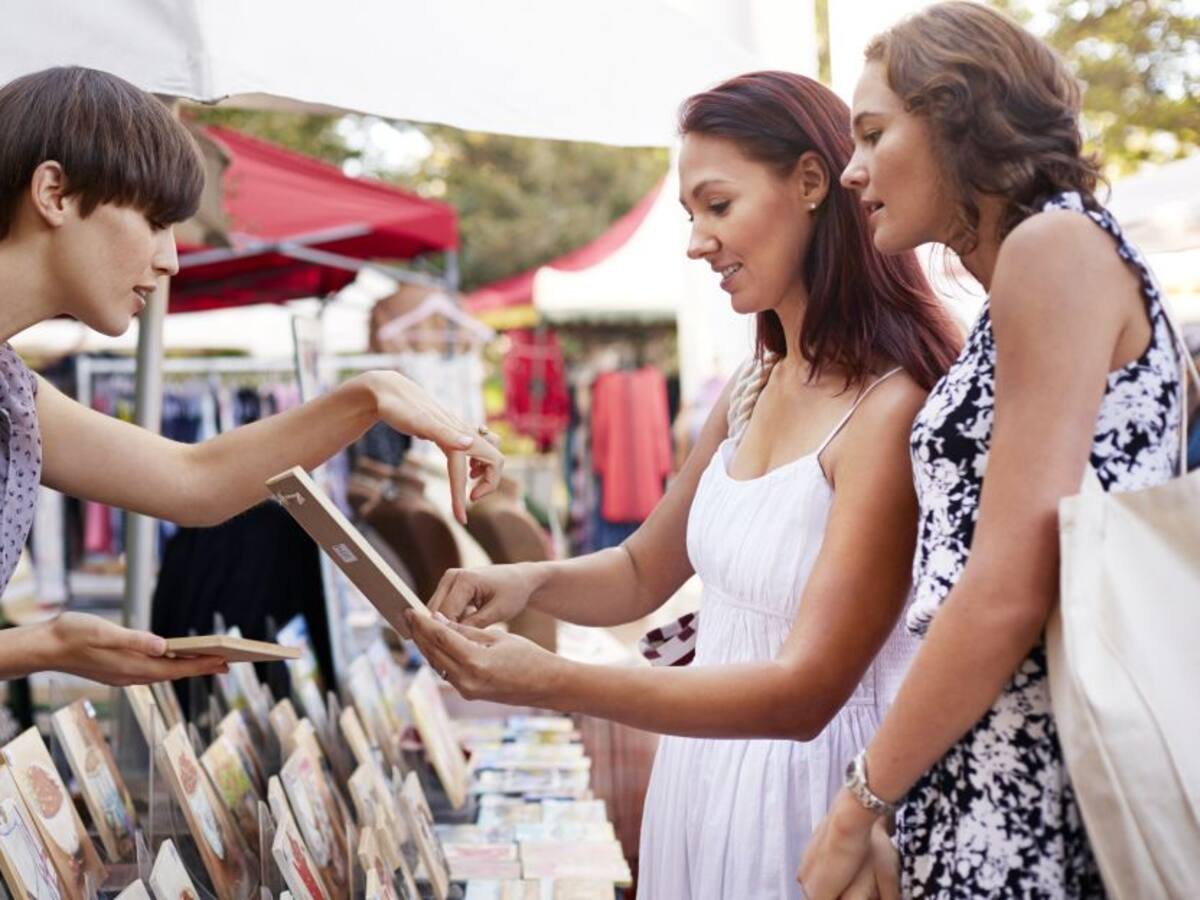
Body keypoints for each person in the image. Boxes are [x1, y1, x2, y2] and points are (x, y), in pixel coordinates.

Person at [407, 71, 960, 899]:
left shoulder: (889, 411)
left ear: (812, 183)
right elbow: (639, 572)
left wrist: (549, 678)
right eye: (690, 215)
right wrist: (524, 581)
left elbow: (805, 694)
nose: (697, 241)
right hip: (701, 783)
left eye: (718, 205)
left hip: (808, 805)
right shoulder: (753, 387)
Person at [798, 4, 1185, 898]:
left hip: (1036, 791)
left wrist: (861, 803)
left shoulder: (1056, 247)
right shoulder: (1044, 264)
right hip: (995, 773)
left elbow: (1009, 581)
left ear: (956, 114)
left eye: (872, 133)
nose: (854, 172)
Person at [0, 67, 502, 687]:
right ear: (53, 193)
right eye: (156, 222)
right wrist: (40, 646)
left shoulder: (13, 393)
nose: (171, 259)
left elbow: (193, 481)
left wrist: (370, 396)